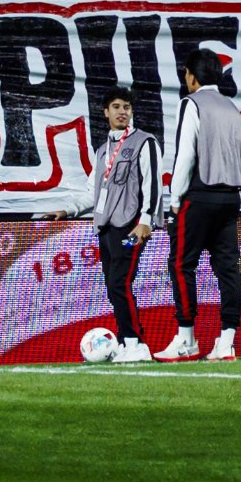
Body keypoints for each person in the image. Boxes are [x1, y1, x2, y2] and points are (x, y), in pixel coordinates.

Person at [154, 45, 241, 361]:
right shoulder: (232, 108)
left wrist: (174, 199)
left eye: (186, 72)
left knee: (182, 263)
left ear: (192, 76)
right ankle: (227, 341)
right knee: (228, 267)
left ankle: (187, 338)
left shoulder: (191, 103)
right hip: (231, 197)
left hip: (200, 194)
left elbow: (185, 155)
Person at [85, 90, 161, 362]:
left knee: (120, 281)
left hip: (130, 228)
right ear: (105, 112)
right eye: (116, 106)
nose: (122, 112)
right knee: (112, 284)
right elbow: (91, 191)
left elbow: (153, 184)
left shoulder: (144, 142)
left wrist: (145, 221)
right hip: (105, 228)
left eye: (126, 107)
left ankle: (135, 343)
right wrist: (66, 209)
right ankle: (125, 340)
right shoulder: (103, 150)